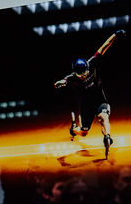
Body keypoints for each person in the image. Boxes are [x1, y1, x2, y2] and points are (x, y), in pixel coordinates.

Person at [53, 29, 125, 157]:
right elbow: (62, 81)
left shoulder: (92, 63)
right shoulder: (72, 78)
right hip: (87, 107)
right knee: (84, 133)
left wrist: (115, 34)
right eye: (81, 75)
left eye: (86, 72)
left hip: (100, 100)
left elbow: (104, 46)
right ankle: (74, 129)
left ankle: (107, 138)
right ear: (76, 73)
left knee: (104, 117)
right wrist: (60, 83)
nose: (85, 76)